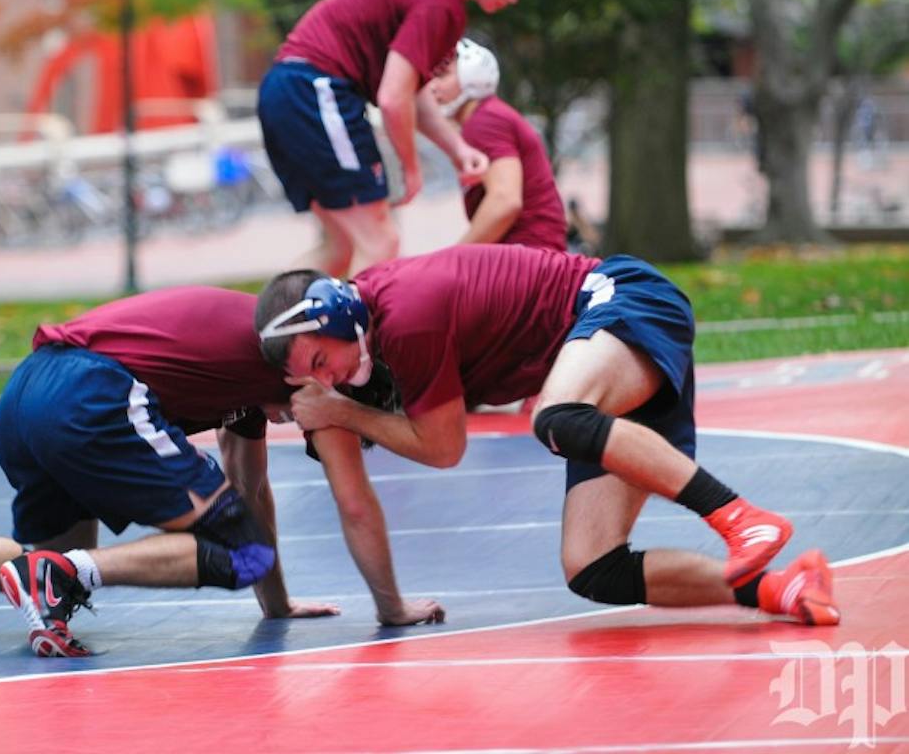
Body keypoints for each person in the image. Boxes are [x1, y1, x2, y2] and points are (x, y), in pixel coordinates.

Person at [253, 247, 840, 628]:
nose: (328, 379)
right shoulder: (375, 334)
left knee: (555, 415)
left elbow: (443, 447)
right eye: (314, 377)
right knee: (592, 568)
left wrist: (343, 413)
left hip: (623, 299)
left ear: (333, 314)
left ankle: (740, 517)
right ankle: (781, 589)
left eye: (322, 359)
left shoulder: (405, 317)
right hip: (602, 366)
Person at [0, 287, 351, 659]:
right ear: (300, 353)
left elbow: (249, 486)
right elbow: (246, 512)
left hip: (27, 392)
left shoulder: (259, 376)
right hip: (88, 391)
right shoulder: (271, 357)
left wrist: (277, 606)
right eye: (325, 372)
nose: (310, 402)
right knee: (240, 552)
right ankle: (65, 574)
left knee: (45, 564)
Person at [256, 0, 545, 276]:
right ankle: (358, 335)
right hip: (314, 92)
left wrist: (456, 150)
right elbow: (394, 98)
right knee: (380, 242)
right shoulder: (439, 1)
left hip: (294, 91)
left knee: (342, 248)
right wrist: (411, 168)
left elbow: (412, 91)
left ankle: (271, 328)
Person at [427, 38, 567, 251]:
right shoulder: (488, 116)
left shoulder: (484, 121)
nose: (432, 86)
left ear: (471, 76)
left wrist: (456, 256)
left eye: (442, 76)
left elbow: (505, 200)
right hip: (533, 251)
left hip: (527, 254)